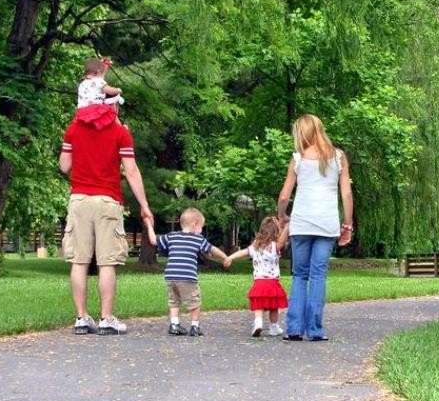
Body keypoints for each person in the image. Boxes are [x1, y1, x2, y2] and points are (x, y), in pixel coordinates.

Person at [59, 103, 153, 336]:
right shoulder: (120, 133)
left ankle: (81, 318)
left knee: (79, 261)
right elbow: (131, 171)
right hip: (108, 201)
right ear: (113, 108)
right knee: (106, 262)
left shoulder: (73, 129)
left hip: (79, 200)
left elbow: (64, 166)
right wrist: (144, 206)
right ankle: (106, 318)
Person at [277, 114, 353, 342]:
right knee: (318, 275)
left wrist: (282, 215)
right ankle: (316, 331)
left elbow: (284, 196)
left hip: (301, 224)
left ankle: (293, 329)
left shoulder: (298, 159)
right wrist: (347, 224)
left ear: (301, 132)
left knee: (300, 275)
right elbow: (346, 193)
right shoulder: (338, 157)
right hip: (327, 225)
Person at [147, 207, 230, 336]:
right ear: (195, 224)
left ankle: (174, 325)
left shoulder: (172, 236)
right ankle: (195, 326)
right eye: (201, 227)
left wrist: (148, 224)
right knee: (195, 301)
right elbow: (212, 249)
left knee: (174, 300)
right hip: (187, 277)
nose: (201, 230)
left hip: (171, 276)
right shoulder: (197, 239)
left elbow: (153, 241)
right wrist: (225, 257)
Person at [227, 216, 289, 338]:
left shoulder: (255, 246)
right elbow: (282, 241)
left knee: (259, 305)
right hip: (272, 282)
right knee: (273, 306)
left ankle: (258, 322)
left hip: (259, 282)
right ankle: (274, 327)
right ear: (276, 232)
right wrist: (287, 226)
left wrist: (230, 258)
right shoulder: (274, 246)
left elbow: (242, 252)